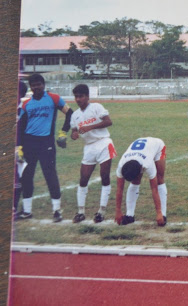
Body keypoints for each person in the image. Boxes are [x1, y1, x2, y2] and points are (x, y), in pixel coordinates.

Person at [16, 73, 73, 222]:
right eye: (33, 85)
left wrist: (63, 132)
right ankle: (27, 211)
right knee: (27, 176)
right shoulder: (26, 104)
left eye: (38, 84)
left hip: (46, 142)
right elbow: (20, 127)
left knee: (50, 175)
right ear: (30, 87)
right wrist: (19, 147)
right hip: (29, 143)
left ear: (44, 85)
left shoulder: (54, 98)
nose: (36, 87)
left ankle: (57, 211)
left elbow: (70, 113)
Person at [69, 84, 116, 224]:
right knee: (83, 179)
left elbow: (108, 121)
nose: (78, 99)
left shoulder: (96, 107)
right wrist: (74, 135)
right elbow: (74, 131)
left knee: (104, 176)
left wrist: (90, 126)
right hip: (89, 147)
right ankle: (81, 212)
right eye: (76, 97)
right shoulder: (75, 115)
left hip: (103, 143)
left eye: (81, 96)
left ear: (87, 96)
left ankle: (101, 211)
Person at [114, 137, 167, 227]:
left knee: (159, 179)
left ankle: (163, 214)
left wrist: (159, 213)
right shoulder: (121, 165)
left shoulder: (147, 164)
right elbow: (119, 189)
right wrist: (118, 210)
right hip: (140, 152)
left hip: (157, 146)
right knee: (135, 181)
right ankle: (130, 215)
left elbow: (154, 189)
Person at [13, 80, 29, 218]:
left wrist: (20, 148)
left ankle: (14, 208)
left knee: (18, 178)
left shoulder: (24, 110)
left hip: (20, 148)